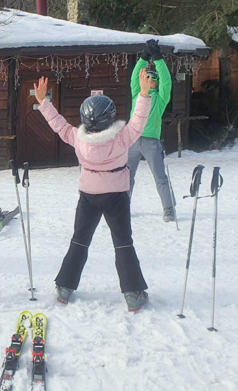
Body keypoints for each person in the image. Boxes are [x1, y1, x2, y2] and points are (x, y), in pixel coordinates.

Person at [33, 69, 154, 312]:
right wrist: (143, 93)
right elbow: (139, 120)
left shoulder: (77, 138)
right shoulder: (122, 138)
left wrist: (43, 102)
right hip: (116, 196)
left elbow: (59, 125)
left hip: (88, 196)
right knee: (123, 243)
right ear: (110, 117)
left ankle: (64, 288)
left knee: (79, 240)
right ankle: (132, 294)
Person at [128, 39, 176, 222]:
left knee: (160, 177)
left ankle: (169, 209)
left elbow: (166, 80)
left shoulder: (160, 98)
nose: (151, 80)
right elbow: (134, 77)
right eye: (147, 77)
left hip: (151, 142)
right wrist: (143, 57)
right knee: (126, 177)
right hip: (131, 140)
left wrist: (157, 58)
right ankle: (123, 208)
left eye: (154, 78)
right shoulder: (136, 94)